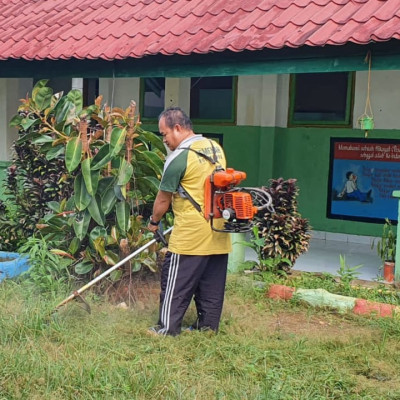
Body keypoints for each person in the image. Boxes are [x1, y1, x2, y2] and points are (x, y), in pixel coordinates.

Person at [147, 107, 232, 336]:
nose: (164, 140)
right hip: (218, 229)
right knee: (211, 284)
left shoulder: (179, 156)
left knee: (175, 283)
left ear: (177, 128)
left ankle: (166, 328)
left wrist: (154, 222)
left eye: (164, 134)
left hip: (191, 235)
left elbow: (163, 199)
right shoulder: (214, 147)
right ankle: (207, 328)